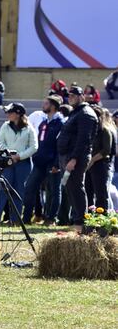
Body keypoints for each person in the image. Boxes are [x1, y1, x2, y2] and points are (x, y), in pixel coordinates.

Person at [57, 86, 98, 232]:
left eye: (74, 95)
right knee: (71, 189)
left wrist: (73, 159)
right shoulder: (76, 112)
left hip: (75, 157)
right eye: (69, 95)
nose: (71, 97)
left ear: (82, 96)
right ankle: (78, 220)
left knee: (76, 188)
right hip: (67, 156)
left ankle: (82, 222)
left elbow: (83, 140)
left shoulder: (86, 113)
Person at [22, 96, 64, 226]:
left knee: (53, 191)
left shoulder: (60, 123)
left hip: (52, 162)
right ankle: (26, 217)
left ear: (53, 106)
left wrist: (57, 163)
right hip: (39, 162)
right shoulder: (44, 122)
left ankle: (51, 218)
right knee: (29, 188)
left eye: (46, 103)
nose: (43, 105)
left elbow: (61, 146)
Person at [0, 103, 37, 224]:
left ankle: (16, 220)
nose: (7, 114)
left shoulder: (29, 128)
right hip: (7, 162)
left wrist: (19, 156)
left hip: (23, 164)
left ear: (18, 114)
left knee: (19, 191)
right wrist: (9, 155)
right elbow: (1, 142)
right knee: (3, 189)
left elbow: (34, 147)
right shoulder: (5, 126)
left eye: (10, 112)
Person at [85, 106, 116, 210]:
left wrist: (92, 160)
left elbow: (106, 150)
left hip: (100, 165)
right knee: (88, 192)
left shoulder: (105, 130)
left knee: (101, 194)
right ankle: (88, 218)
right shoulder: (90, 131)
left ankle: (102, 219)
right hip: (89, 165)